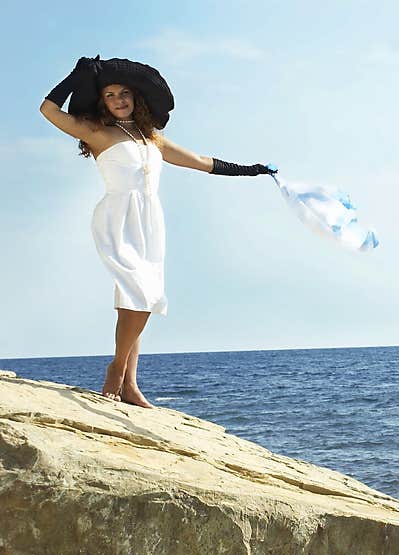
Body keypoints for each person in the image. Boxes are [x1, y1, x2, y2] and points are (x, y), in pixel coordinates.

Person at [40, 56, 274, 408]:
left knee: (134, 301)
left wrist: (253, 170)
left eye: (124, 93)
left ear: (135, 97)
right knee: (142, 294)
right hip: (118, 217)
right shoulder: (96, 132)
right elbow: (47, 109)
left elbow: (201, 162)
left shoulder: (153, 139)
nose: (118, 100)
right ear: (101, 102)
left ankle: (130, 386)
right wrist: (76, 76)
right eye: (109, 95)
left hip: (151, 222)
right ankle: (116, 370)